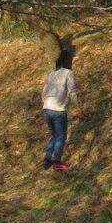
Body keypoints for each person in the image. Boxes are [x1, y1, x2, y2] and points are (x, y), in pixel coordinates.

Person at [40, 42, 77, 170]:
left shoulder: (52, 74)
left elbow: (44, 92)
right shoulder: (68, 73)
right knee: (61, 135)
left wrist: (45, 102)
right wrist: (77, 106)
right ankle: (57, 161)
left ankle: (47, 159)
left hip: (46, 108)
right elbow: (72, 91)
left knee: (54, 135)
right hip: (58, 109)